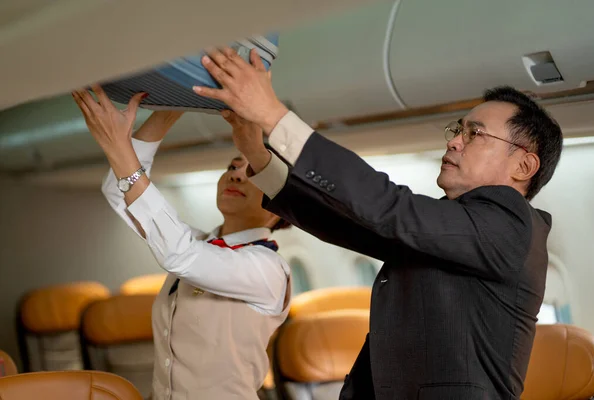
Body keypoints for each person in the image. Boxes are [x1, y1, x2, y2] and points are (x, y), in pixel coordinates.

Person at [195, 48, 563, 399]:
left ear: (523, 166)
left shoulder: (511, 225)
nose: (454, 143)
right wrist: (256, 153)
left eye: (474, 134)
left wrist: (274, 116)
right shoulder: (460, 227)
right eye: (458, 130)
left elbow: (388, 205)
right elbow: (351, 222)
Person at [71, 87, 292, 400]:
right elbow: (118, 193)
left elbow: (179, 254)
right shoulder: (202, 244)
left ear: (280, 206)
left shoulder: (268, 269)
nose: (236, 176)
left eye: (253, 173)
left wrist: (119, 148)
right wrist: (168, 110)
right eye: (232, 166)